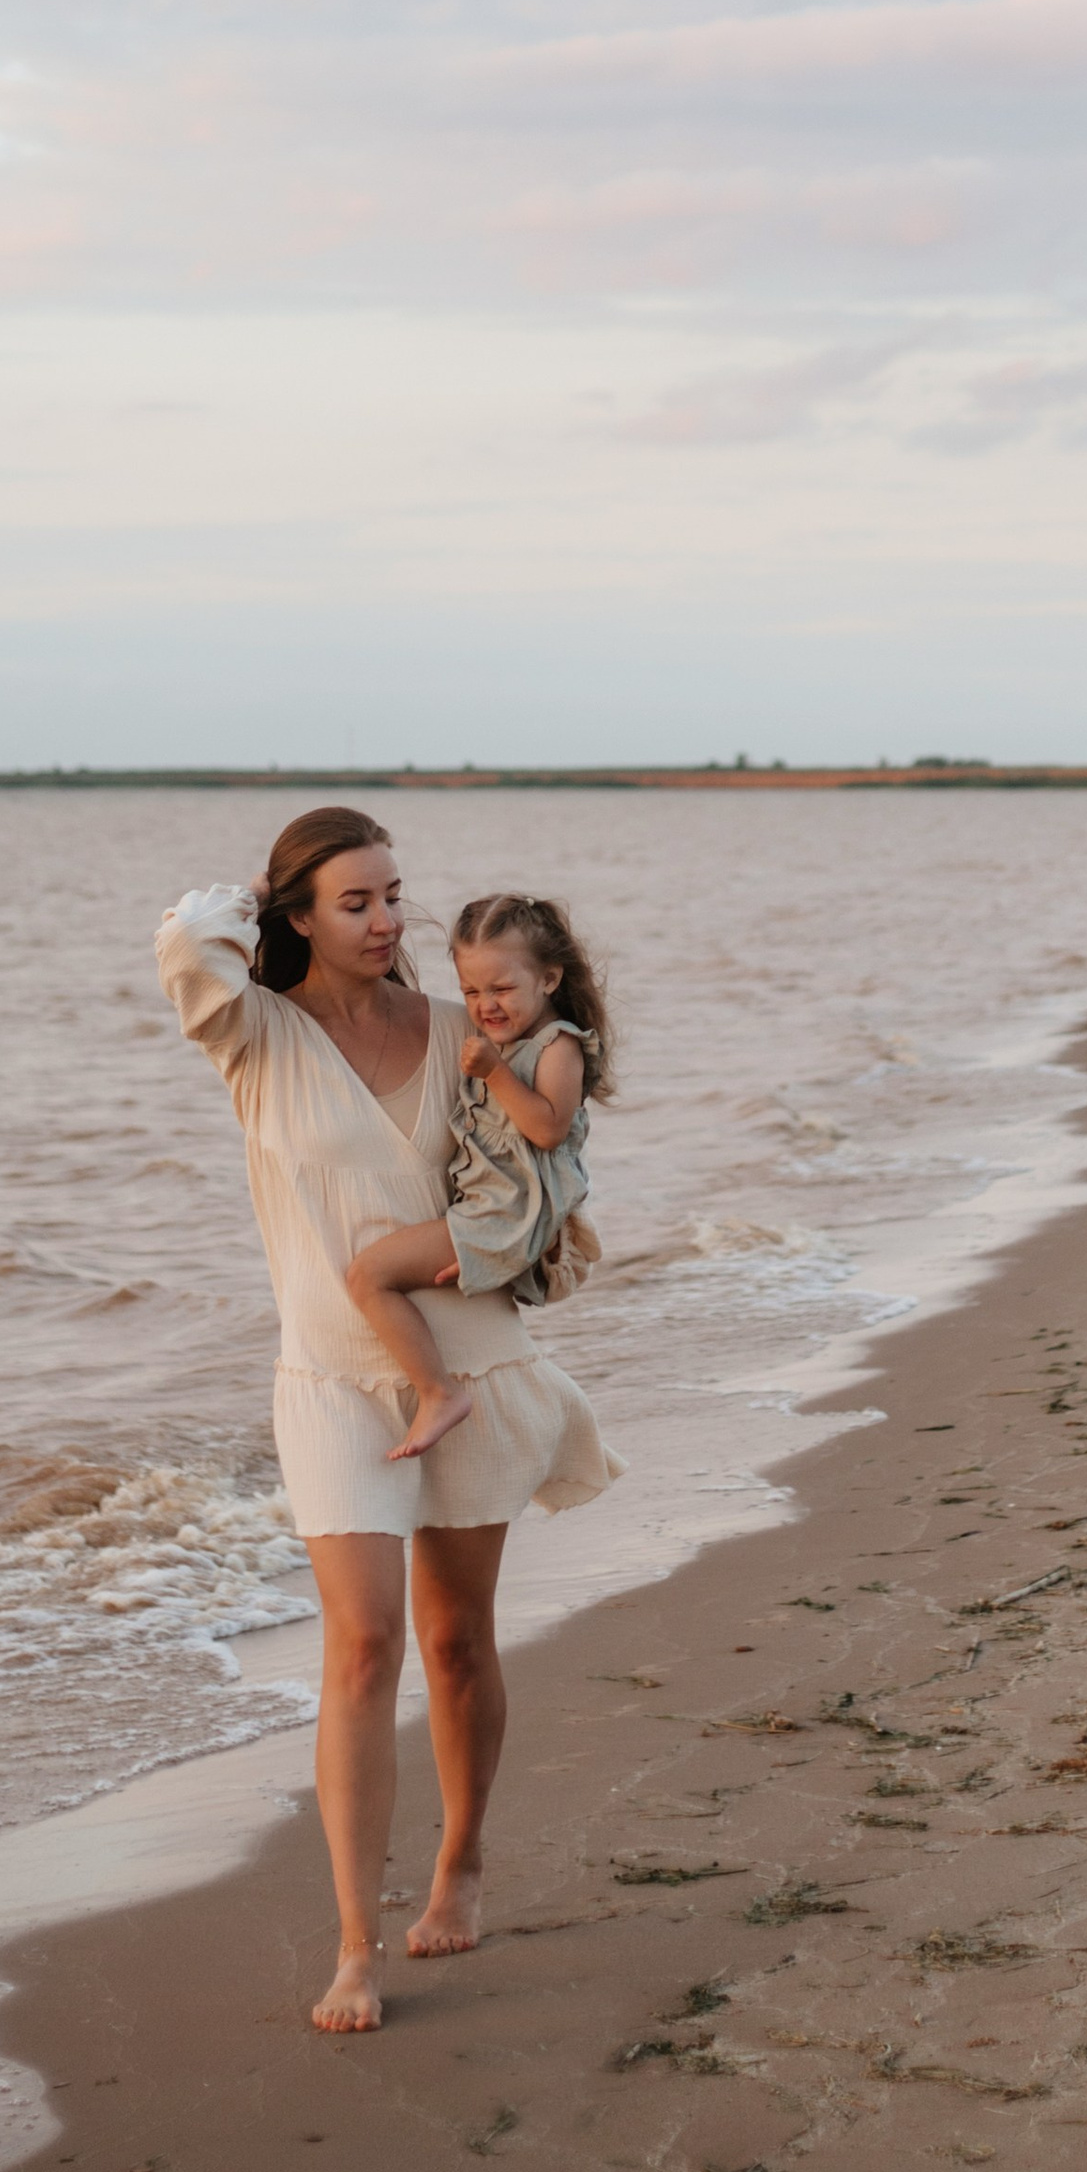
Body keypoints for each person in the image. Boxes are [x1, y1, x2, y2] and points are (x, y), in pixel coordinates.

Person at [156, 809, 619, 2035]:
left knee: (457, 1640)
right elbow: (182, 947)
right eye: (353, 900)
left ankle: (461, 1855)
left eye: (395, 896)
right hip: (329, 1380)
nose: (385, 921)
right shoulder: (252, 1036)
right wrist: (242, 906)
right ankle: (357, 1944)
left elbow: (543, 1157)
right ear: (296, 915)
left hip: (466, 1360)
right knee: (362, 1649)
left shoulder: (468, 1027)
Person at [344, 892, 606, 1455]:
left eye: (502, 989)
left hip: (506, 1212)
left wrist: (494, 1072)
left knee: (369, 1276)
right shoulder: (506, 1038)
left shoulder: (558, 1046)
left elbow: (549, 1129)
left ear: (550, 979)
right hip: (487, 1206)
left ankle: (439, 1393)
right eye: (470, 990)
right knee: (373, 1274)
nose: (484, 1004)